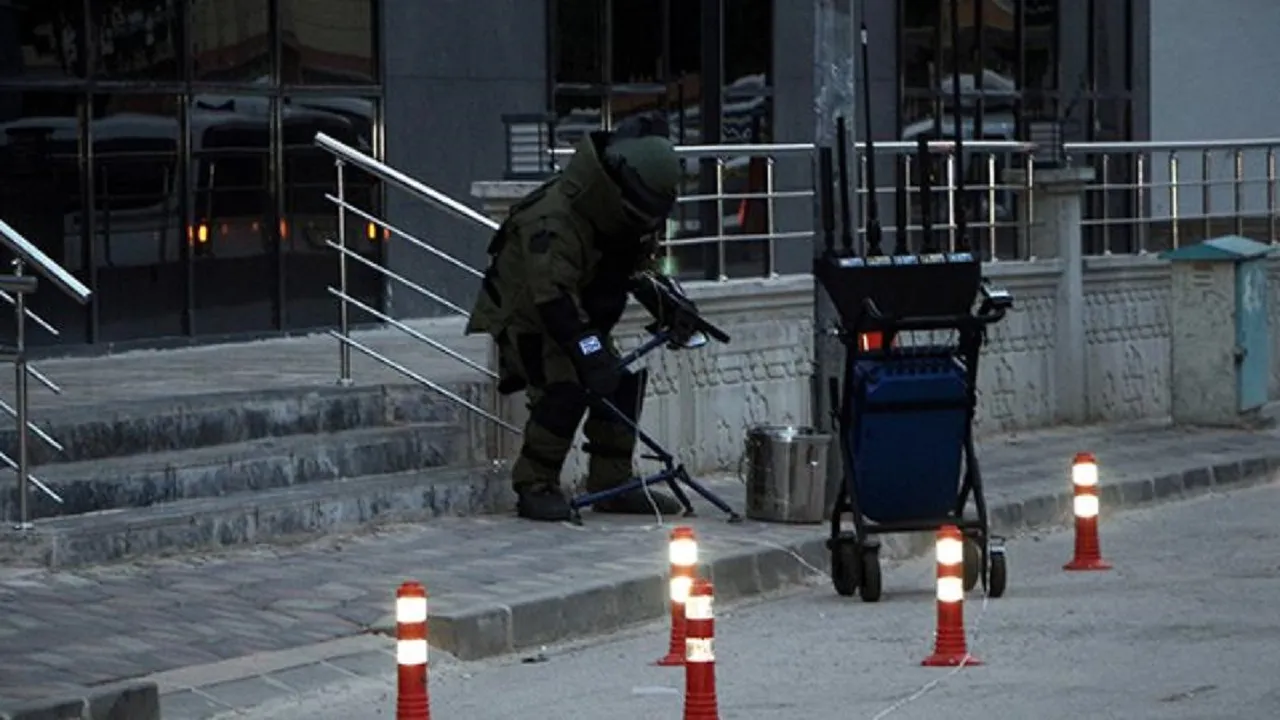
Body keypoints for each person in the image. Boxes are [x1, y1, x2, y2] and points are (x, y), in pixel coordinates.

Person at [465, 120, 687, 522]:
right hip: (530, 313)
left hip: (580, 307)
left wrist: (669, 305)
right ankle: (535, 485)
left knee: (619, 382)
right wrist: (588, 352)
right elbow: (553, 298)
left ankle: (610, 482)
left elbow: (637, 267)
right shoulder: (556, 217)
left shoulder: (625, 213)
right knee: (564, 388)